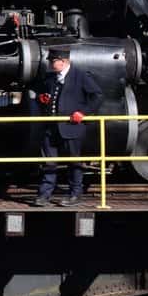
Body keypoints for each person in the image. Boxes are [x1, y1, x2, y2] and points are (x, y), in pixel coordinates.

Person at [30, 48, 103, 207]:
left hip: (72, 126)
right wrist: (42, 98)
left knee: (74, 162)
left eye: (52, 61)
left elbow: (97, 95)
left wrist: (83, 113)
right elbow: (41, 93)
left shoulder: (80, 76)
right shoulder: (49, 78)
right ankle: (44, 195)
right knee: (49, 162)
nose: (50, 64)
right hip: (51, 126)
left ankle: (75, 194)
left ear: (63, 61)